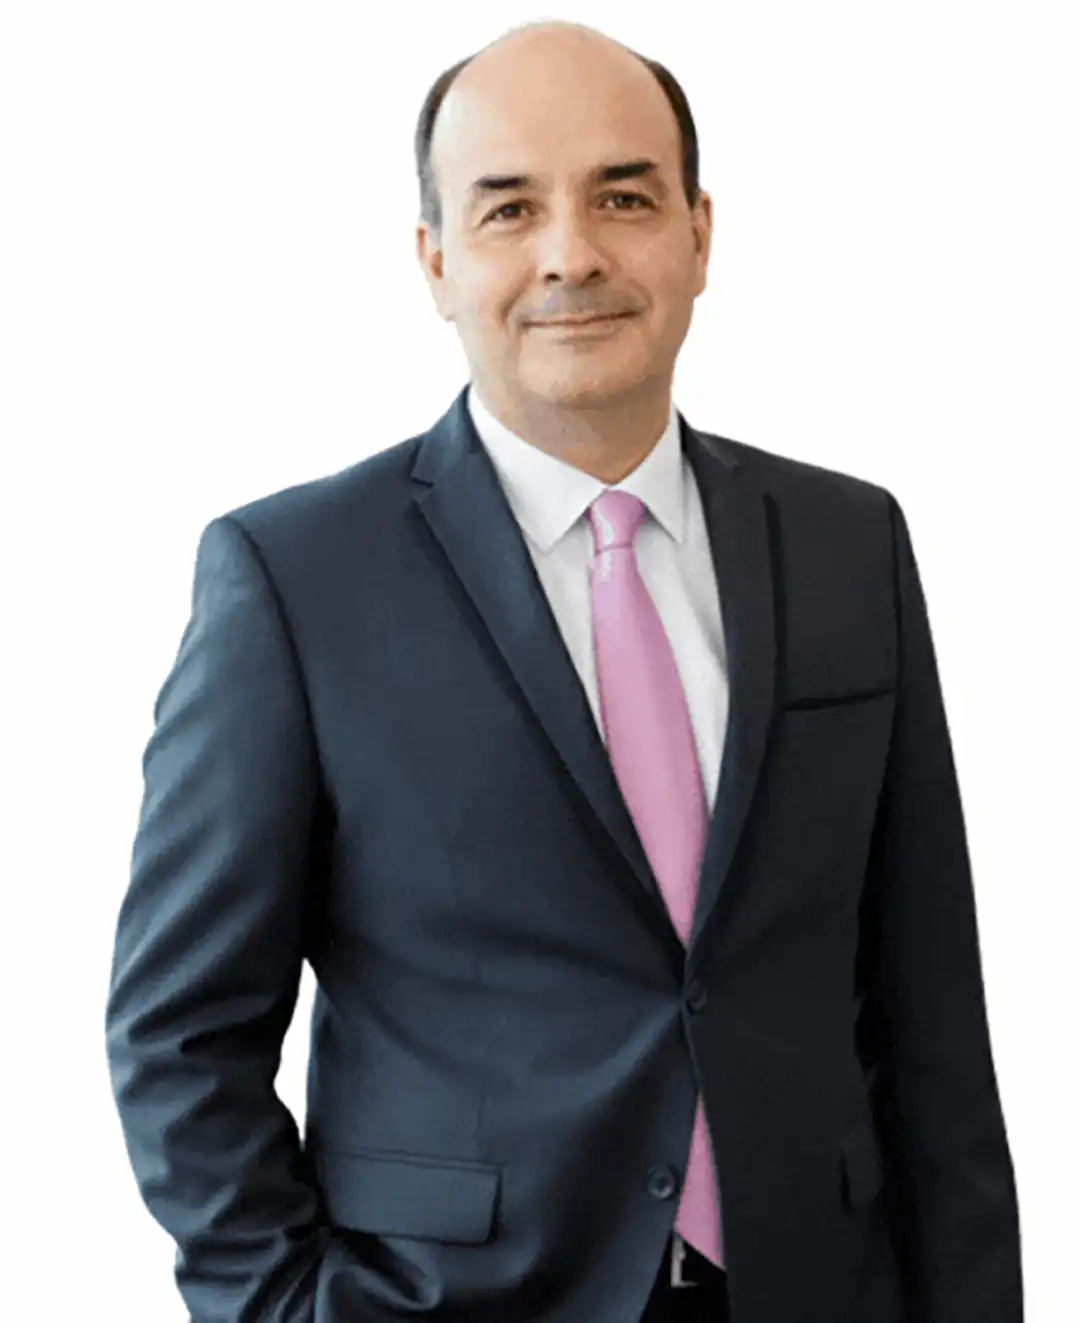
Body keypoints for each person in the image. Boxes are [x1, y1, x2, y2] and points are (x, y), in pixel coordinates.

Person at [104, 19, 1024, 1323]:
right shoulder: (295, 581)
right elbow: (179, 1034)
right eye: (509, 208)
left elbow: (934, 1023)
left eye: (624, 197)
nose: (571, 253)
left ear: (700, 233)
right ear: (436, 261)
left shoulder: (846, 544)